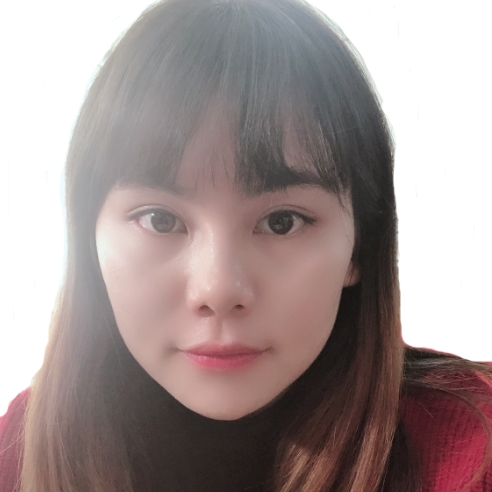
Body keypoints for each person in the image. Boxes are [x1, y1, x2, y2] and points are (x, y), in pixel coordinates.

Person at [1, 0, 491, 491]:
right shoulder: (18, 453)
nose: (218, 290)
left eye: (282, 222)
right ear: (89, 237)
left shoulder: (475, 449)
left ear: (361, 243)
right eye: (160, 219)